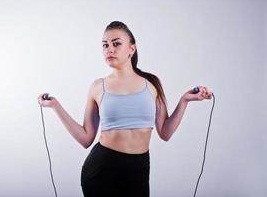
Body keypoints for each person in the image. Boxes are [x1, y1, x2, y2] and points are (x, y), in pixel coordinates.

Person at [37, 21, 212, 197]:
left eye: (116, 43)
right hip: (102, 170)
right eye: (105, 45)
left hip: (139, 170)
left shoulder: (152, 84)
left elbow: (165, 132)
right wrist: (55, 105)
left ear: (132, 49)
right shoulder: (98, 87)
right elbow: (86, 139)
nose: (109, 49)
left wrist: (184, 101)